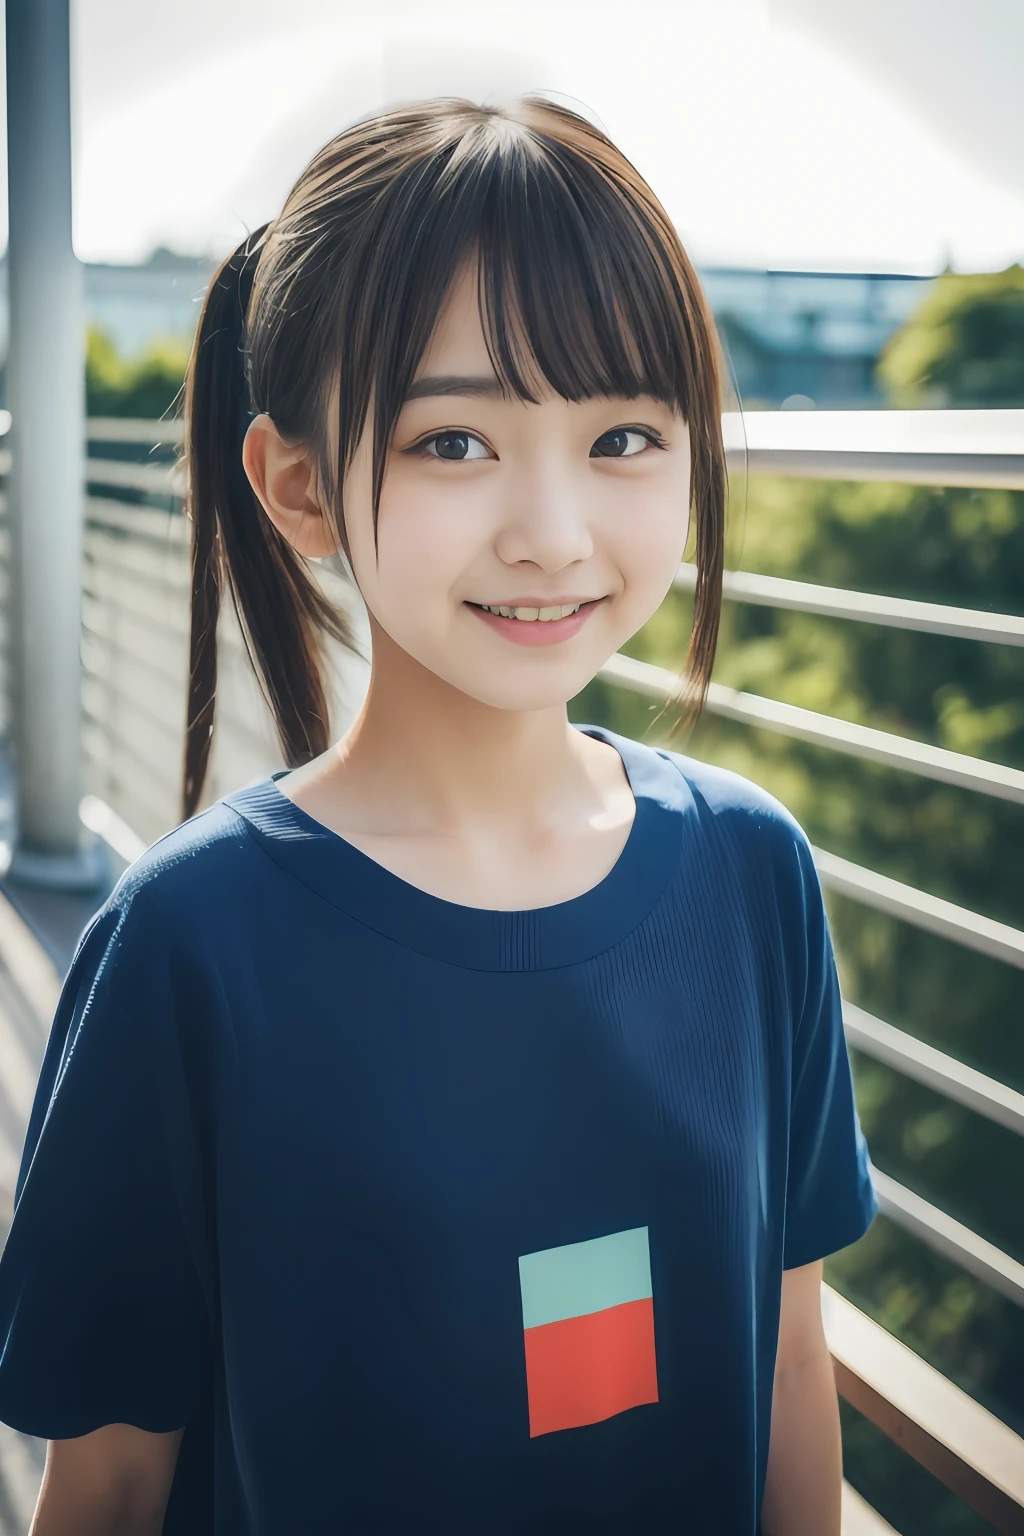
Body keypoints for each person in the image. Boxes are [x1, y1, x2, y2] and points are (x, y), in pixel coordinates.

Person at [0, 96, 876, 1534]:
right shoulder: (189, 946)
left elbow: (787, 1365)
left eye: (626, 435)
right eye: (456, 442)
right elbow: (109, 1486)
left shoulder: (750, 870)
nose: (552, 529)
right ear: (296, 487)